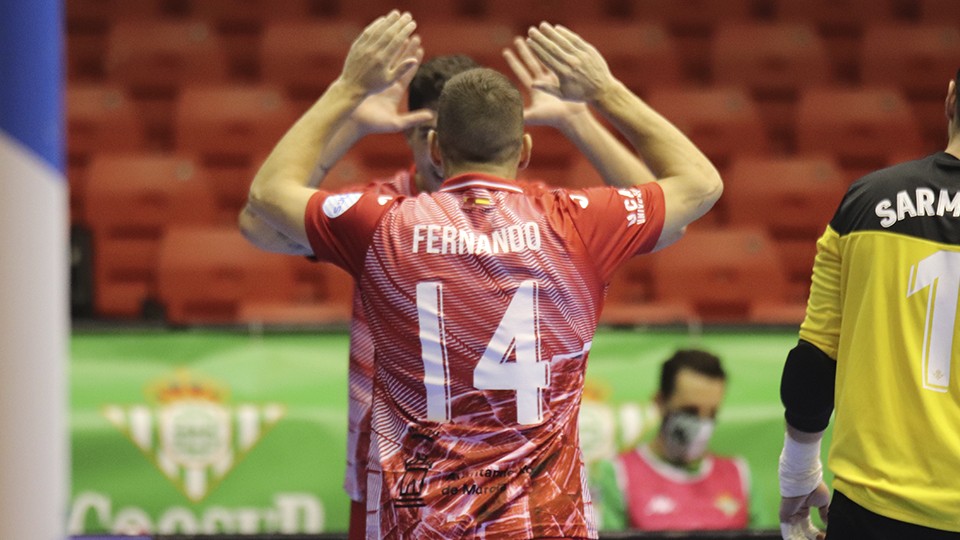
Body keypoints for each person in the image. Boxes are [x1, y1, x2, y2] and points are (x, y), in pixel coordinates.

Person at [243, 11, 721, 538]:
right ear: (525, 148)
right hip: (541, 519)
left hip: (419, 514)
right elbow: (694, 189)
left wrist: (346, 91)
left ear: (435, 147)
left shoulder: (379, 223)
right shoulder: (570, 220)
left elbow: (266, 199)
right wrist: (602, 94)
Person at [777, 69, 960, 540]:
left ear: (951, 98)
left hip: (877, 509)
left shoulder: (867, 201)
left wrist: (797, 476)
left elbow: (815, 360)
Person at [589, 349, 754, 531]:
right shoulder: (616, 474)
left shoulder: (740, 475)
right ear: (660, 403)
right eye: (690, 411)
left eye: (711, 414)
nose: (702, 425)